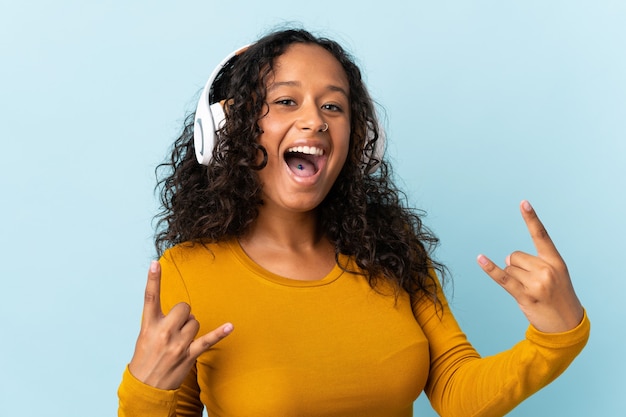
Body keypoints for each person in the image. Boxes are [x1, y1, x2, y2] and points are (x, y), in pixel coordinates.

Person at [117, 28, 589, 417]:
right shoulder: (187, 271)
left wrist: (554, 337)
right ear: (228, 131)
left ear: (361, 140)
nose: (315, 121)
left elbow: (457, 391)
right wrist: (145, 390)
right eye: (285, 101)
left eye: (333, 106)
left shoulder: (393, 250)